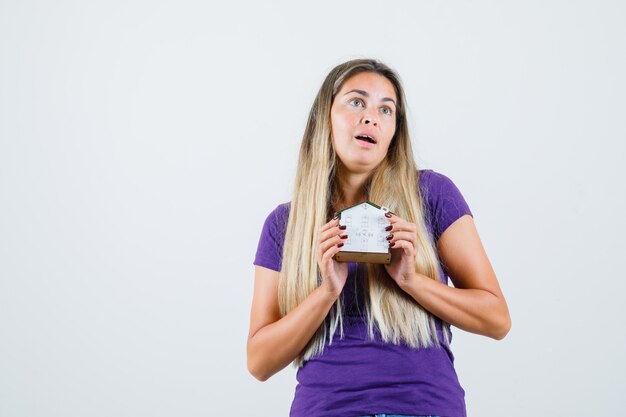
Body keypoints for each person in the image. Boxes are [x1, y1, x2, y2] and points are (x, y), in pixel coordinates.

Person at [247, 58, 511, 417]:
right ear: (325, 116)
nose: (371, 116)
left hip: (425, 408)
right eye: (357, 102)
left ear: (393, 131)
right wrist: (326, 292)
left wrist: (411, 280)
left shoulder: (431, 194)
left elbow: (496, 319)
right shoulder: (284, 225)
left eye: (386, 110)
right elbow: (259, 362)